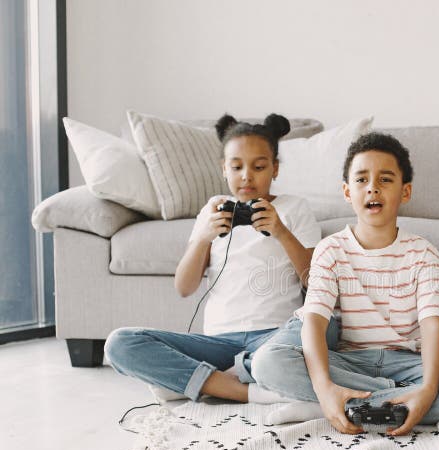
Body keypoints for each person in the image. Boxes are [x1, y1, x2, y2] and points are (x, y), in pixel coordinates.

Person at [250, 132, 439, 435]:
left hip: (409, 364)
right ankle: (344, 399)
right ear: (347, 191)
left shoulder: (423, 252)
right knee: (267, 362)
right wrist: (324, 385)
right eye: (362, 179)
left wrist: (429, 388)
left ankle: (336, 405)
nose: (373, 188)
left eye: (385, 180)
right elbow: (313, 320)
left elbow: (433, 324)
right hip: (351, 362)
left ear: (405, 192)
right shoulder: (330, 249)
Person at [105, 113, 336, 404]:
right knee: (120, 344)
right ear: (223, 169)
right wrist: (203, 237)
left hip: (274, 336)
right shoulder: (213, 210)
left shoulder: (294, 207)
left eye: (259, 166)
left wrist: (281, 232)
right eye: (236, 166)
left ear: (275, 169)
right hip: (218, 340)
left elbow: (313, 281)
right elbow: (184, 287)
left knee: (325, 329)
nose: (247, 176)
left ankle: (200, 381)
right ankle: (246, 388)